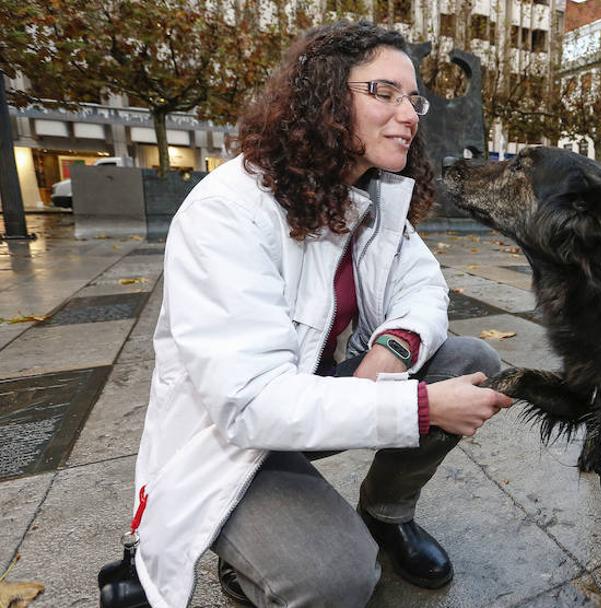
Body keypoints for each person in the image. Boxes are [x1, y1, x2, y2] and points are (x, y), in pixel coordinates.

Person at [128, 21, 512, 608]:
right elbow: (251, 402)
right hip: (230, 435)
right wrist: (421, 405)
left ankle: (386, 515)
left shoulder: (373, 196)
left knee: (471, 359)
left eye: (413, 99)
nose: (408, 114)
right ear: (325, 97)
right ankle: (248, 563)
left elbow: (425, 289)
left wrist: (393, 352)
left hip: (319, 393)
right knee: (335, 577)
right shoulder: (228, 212)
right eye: (384, 93)